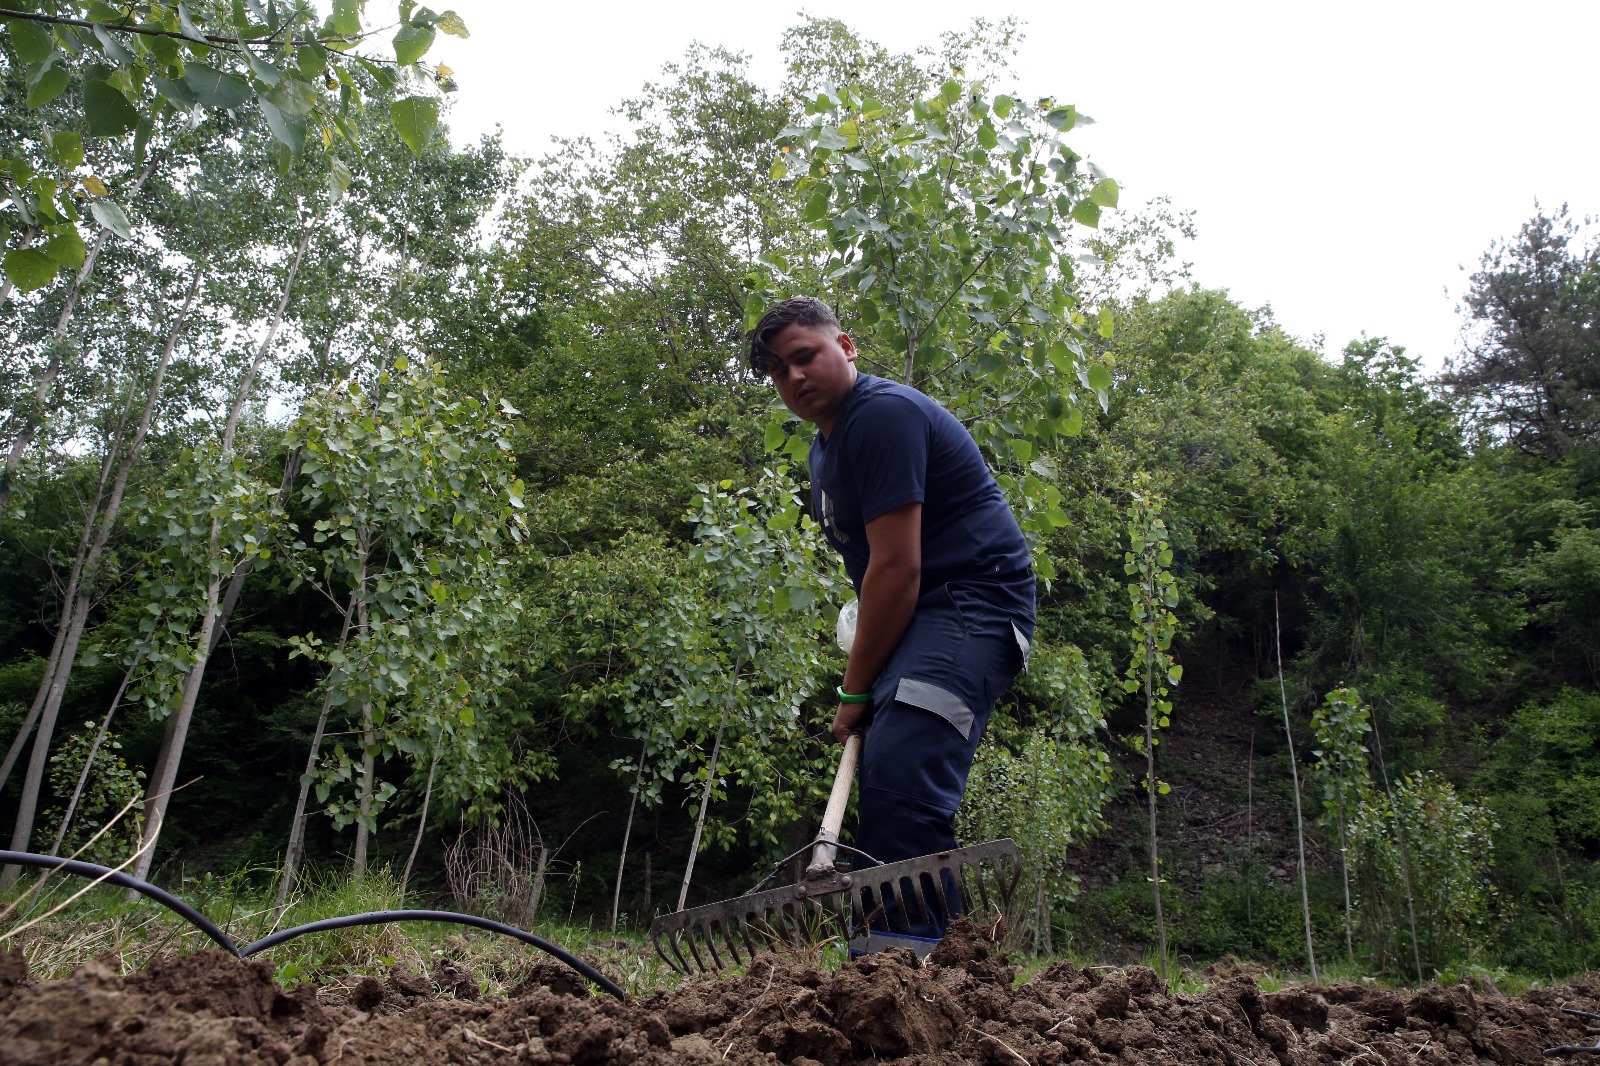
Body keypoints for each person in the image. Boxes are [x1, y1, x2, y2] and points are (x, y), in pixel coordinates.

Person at [748, 296, 1036, 941]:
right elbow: (876, 572)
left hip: (976, 606)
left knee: (904, 760)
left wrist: (856, 690)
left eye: (805, 356)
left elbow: (897, 572)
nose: (794, 377)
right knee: (887, 766)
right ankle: (905, 961)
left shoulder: (881, 415)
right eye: (778, 371)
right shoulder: (825, 452)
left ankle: (907, 965)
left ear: (845, 345)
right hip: (925, 620)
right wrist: (875, 664)